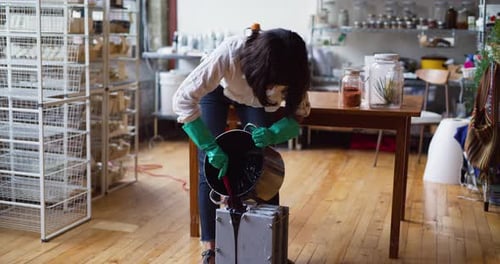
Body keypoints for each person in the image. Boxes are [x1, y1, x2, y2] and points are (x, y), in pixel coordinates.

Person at [173, 23, 311, 264]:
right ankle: (212, 249)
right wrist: (209, 146)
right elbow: (183, 99)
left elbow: (298, 114)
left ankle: (269, 247)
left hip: (254, 100)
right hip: (217, 90)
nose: (278, 88)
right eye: (274, 83)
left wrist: (274, 133)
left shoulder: (293, 69)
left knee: (261, 160)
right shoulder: (229, 54)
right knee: (211, 167)